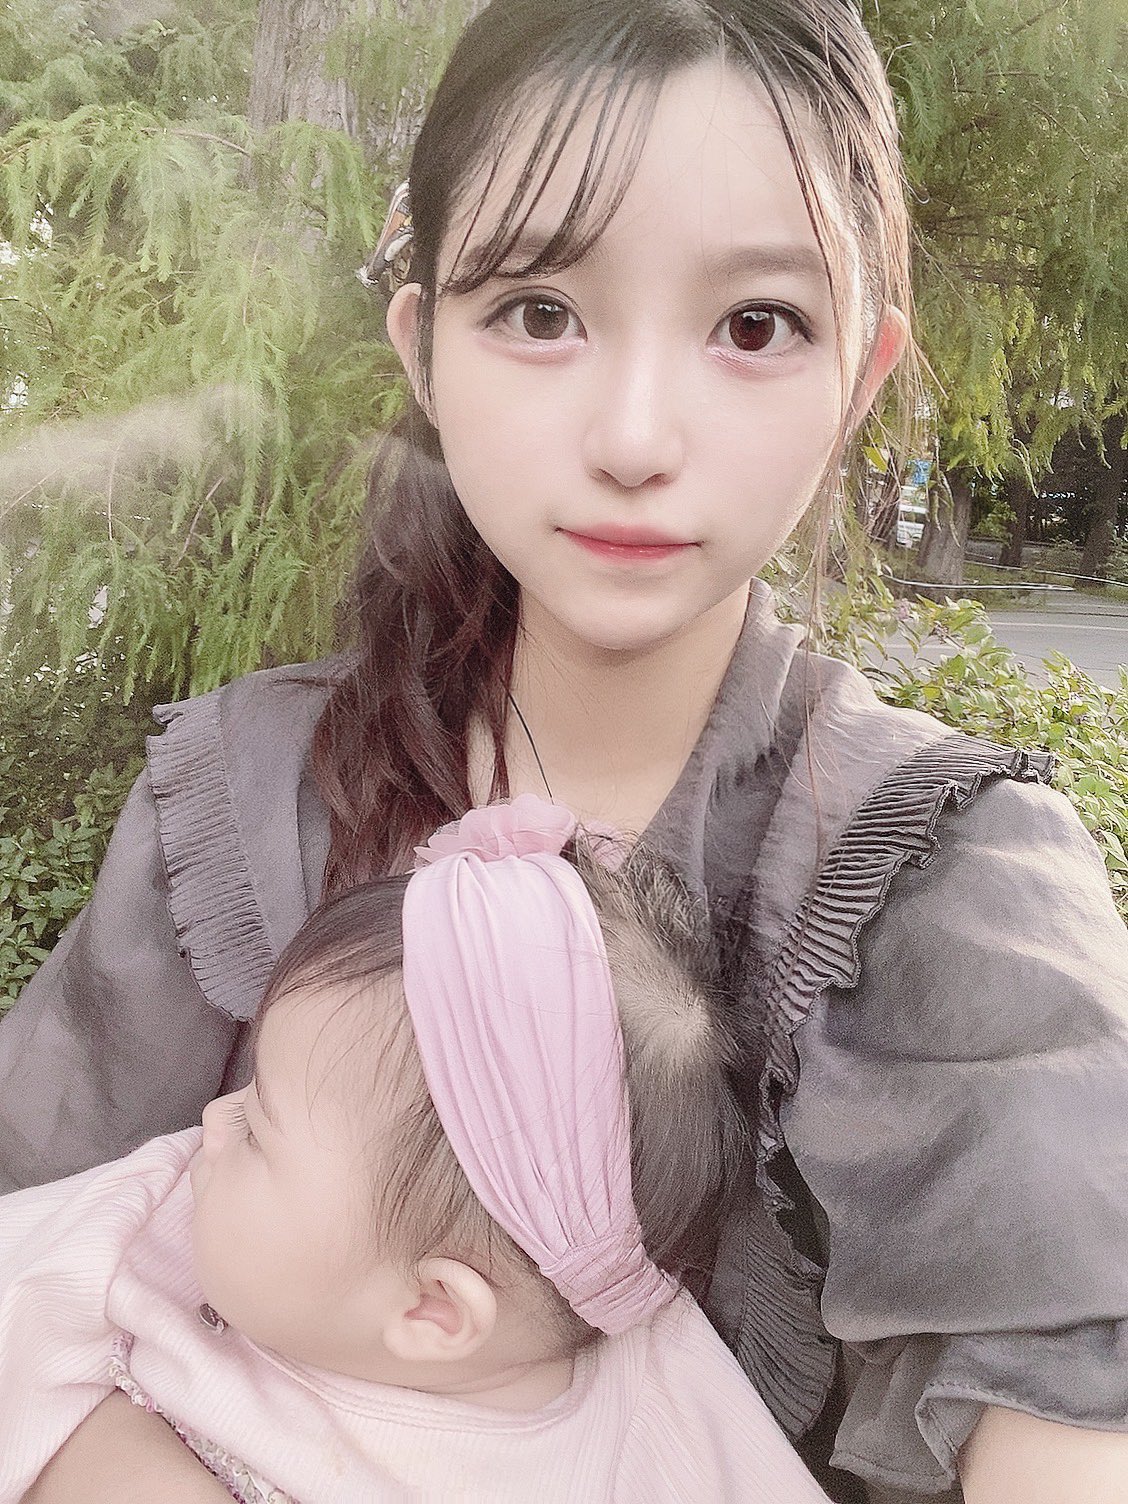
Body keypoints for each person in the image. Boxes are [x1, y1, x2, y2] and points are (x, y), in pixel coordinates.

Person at [4, 0, 1128, 1500]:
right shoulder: (248, 795)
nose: (635, 437)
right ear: (422, 349)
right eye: (540, 312)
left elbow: (1070, 1417)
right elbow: (29, 1227)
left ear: (861, 379)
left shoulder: (947, 886)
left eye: (754, 325)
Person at [0, 798, 829, 1502]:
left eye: (258, 1128)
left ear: (432, 1310)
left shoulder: (655, 1414)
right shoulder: (157, 1229)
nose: (213, 1120)